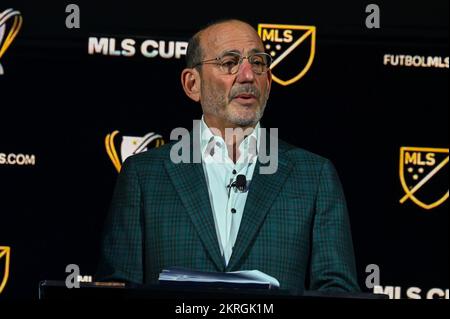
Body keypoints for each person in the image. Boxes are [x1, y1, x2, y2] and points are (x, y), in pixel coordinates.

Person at [97, 19, 360, 293]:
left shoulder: (314, 176)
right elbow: (117, 289)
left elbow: (337, 293)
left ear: (269, 82)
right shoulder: (144, 176)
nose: (248, 76)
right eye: (229, 63)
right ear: (192, 84)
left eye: (258, 63)